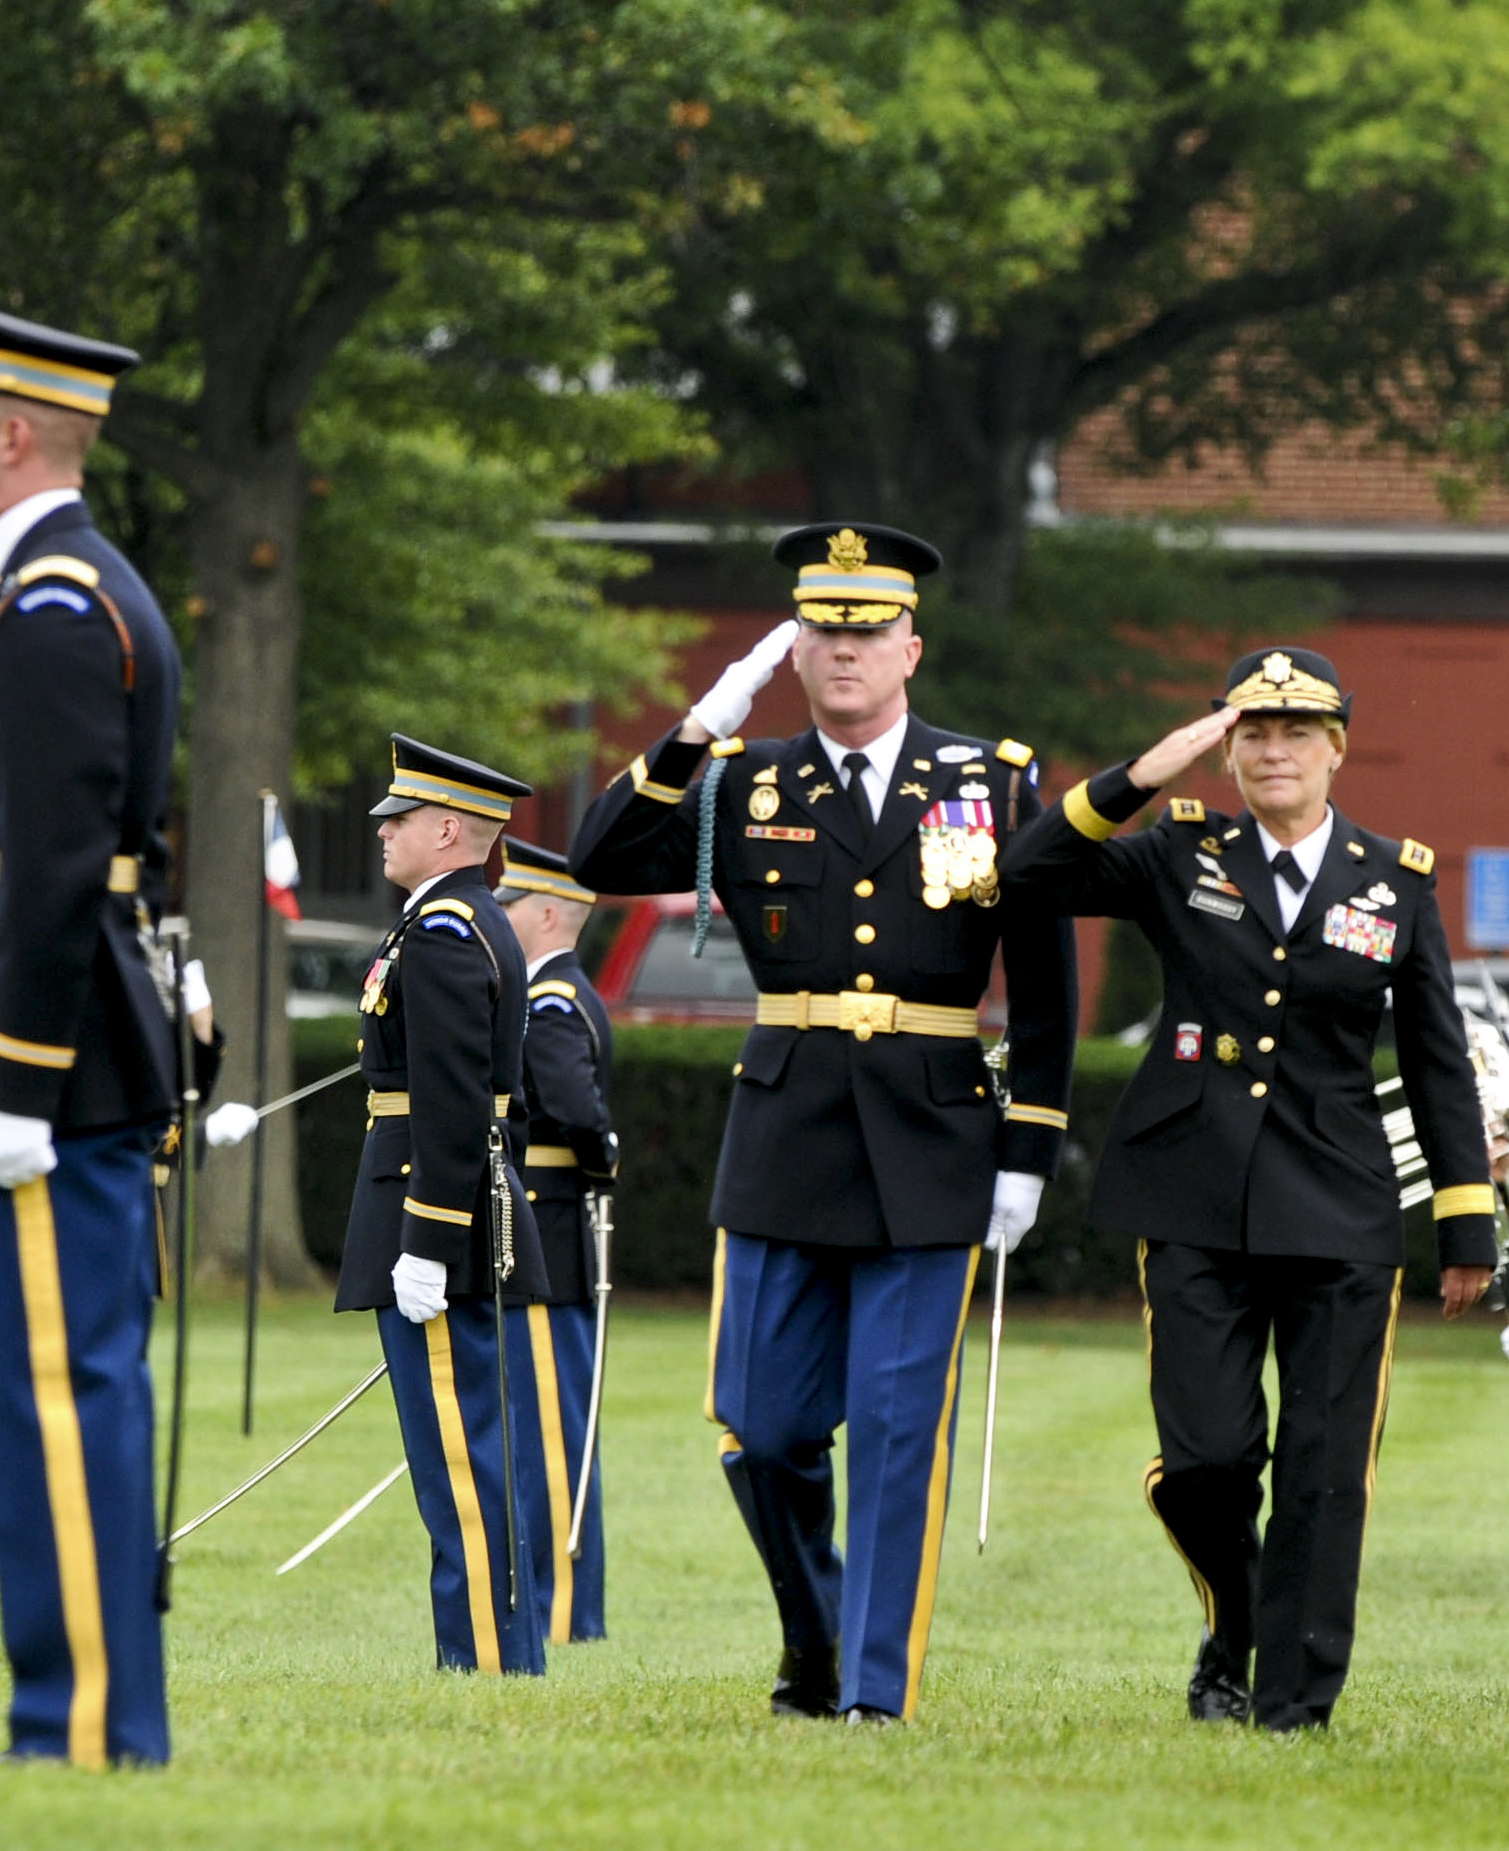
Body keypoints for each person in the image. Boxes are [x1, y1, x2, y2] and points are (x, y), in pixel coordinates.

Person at [569, 525, 1078, 1723]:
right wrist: (699, 722)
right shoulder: (743, 781)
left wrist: (1030, 1151)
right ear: (793, 649)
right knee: (762, 1423)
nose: (843, 651)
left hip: (932, 1139)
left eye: (865, 631)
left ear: (910, 645)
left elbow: (1046, 979)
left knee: (900, 1431)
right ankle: (818, 1637)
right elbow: (598, 857)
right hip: (787, 1134)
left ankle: (872, 1690)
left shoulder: (989, 783)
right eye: (821, 631)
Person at [1000, 648, 1496, 1730]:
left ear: (1335, 749)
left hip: (1339, 1202)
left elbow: (1435, 1057)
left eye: (1295, 733)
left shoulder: (1392, 877)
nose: (1273, 751)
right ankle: (1234, 1620)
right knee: (1208, 1460)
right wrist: (1140, 771)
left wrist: (1464, 1218)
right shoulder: (1177, 852)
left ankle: (1290, 1704)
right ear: (1224, 751)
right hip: (1188, 1193)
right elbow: (1025, 874)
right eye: (1251, 733)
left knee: (1324, 1468)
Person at [0, 294, 189, 1771]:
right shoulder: (39, 588)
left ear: (13, 436)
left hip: (49, 1071)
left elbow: (62, 862)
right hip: (50, 1058)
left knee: (60, 1396)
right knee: (42, 1398)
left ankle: (79, 1724)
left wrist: (11, 1074)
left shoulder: (61, 602)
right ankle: (75, 1714)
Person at [335, 741, 553, 1676]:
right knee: (463, 1452)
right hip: (449, 1208)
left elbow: (458, 1098)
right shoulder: (461, 921)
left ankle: (490, 1658)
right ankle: (489, 1651)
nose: (383, 829)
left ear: (449, 830)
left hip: (434, 1217)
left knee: (459, 1460)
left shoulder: (447, 931)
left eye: (401, 817)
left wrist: (426, 1239)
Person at [494, 840, 619, 1644]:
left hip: (548, 1232)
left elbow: (573, 1108)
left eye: (507, 908)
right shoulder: (552, 996)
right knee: (544, 1428)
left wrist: (601, 1153)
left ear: (545, 915)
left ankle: (564, 1613)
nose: (497, 921)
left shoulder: (549, 1005)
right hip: (547, 1230)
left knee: (550, 1437)